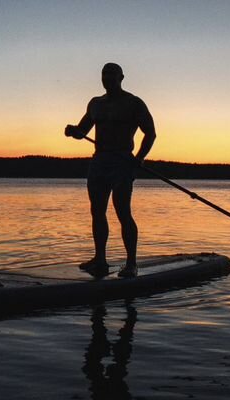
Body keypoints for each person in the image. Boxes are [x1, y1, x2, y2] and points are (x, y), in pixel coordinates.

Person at [64, 63, 156, 278]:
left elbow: (150, 133)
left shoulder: (134, 103)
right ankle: (100, 260)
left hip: (122, 162)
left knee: (123, 212)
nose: (107, 78)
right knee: (97, 211)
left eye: (112, 74)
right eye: (104, 74)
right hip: (99, 163)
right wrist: (73, 131)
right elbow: (82, 131)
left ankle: (131, 263)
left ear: (121, 77)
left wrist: (139, 159)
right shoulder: (95, 104)